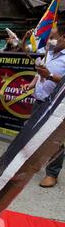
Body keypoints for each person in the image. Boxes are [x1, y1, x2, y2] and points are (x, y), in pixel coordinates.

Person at [21, 29, 65, 188]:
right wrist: (32, 84)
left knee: (55, 140)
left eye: (52, 37)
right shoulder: (49, 53)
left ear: (63, 37)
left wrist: (50, 75)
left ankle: (52, 173)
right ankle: (33, 163)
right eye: (48, 38)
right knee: (33, 133)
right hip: (39, 101)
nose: (49, 41)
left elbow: (52, 76)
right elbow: (39, 71)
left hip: (57, 105)